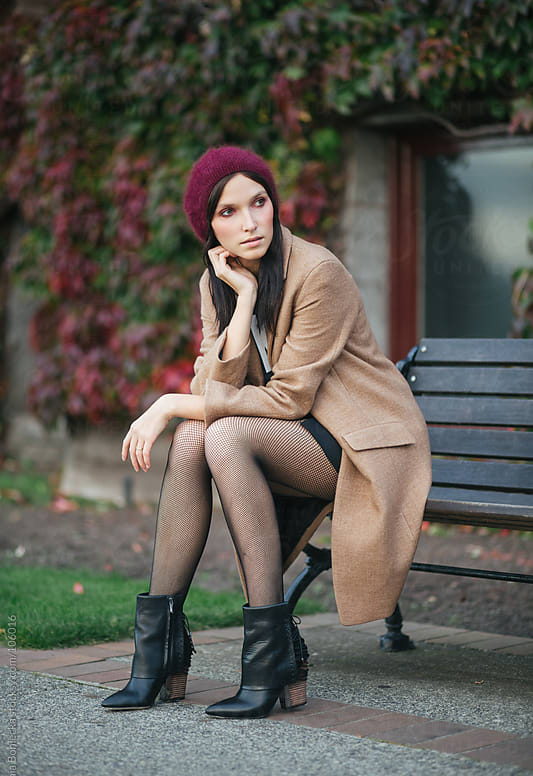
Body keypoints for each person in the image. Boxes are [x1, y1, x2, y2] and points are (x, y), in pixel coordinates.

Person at [101, 145, 432, 719]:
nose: (250, 222)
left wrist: (170, 403)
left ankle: (268, 658)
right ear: (209, 227)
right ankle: (155, 656)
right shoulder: (218, 281)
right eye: (228, 212)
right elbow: (214, 380)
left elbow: (289, 397)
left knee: (220, 433)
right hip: (290, 433)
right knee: (192, 439)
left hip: (360, 441)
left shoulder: (318, 272)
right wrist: (242, 303)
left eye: (258, 202)